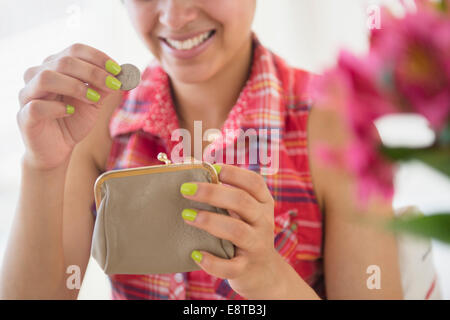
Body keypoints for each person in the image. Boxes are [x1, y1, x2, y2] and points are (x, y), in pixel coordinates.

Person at [0, 0, 403, 299]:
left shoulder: (339, 124)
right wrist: (43, 167)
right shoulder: (93, 120)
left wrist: (268, 278)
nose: (174, 17)